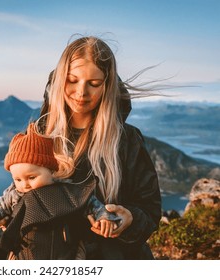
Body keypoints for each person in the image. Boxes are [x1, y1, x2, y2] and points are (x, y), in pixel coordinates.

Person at [36, 35, 161, 259]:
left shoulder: (127, 140)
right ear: (59, 79)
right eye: (72, 80)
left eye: (94, 84)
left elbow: (150, 210)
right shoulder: (39, 135)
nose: (81, 92)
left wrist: (129, 218)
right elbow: (20, 191)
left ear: (108, 86)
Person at [0, 122, 121, 259]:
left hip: (69, 252)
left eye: (31, 177)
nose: (25, 184)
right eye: (17, 179)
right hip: (24, 251)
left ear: (51, 171)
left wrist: (105, 218)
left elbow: (93, 205)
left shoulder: (68, 190)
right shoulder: (15, 194)